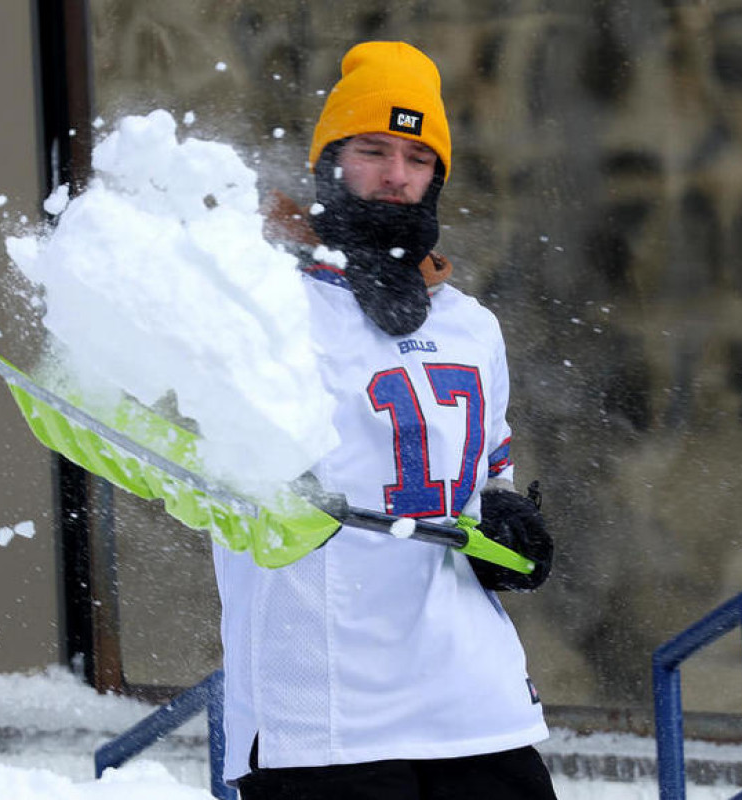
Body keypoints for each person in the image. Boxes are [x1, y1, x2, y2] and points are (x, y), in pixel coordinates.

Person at [213, 41, 559, 800]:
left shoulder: (472, 325)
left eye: (418, 157)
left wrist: (508, 530)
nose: (397, 176)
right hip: (323, 705)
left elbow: (485, 480)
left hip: (475, 699)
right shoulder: (260, 302)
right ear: (329, 160)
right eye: (372, 150)